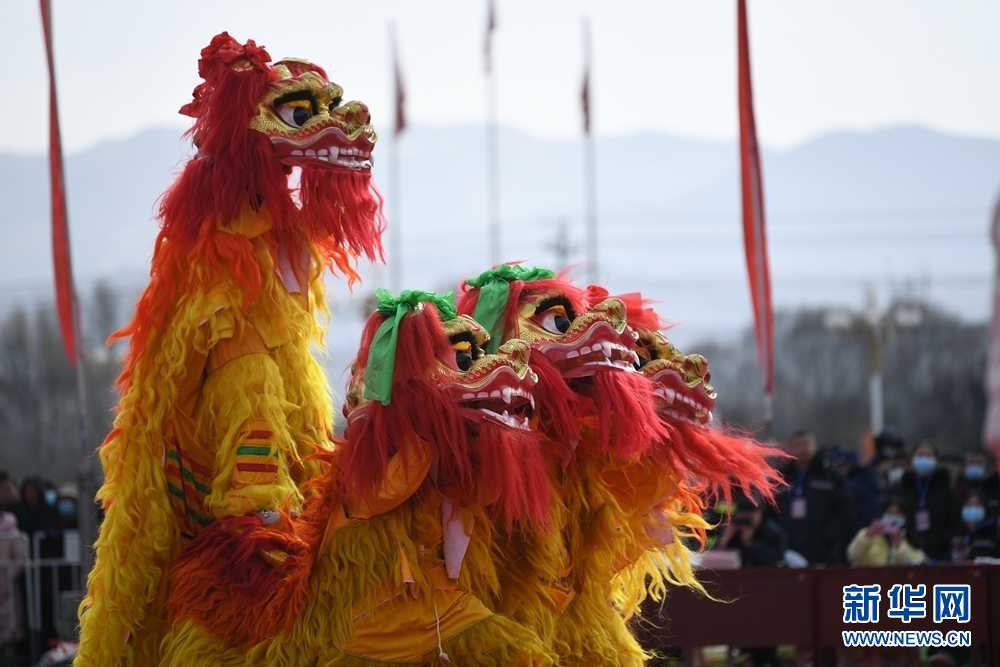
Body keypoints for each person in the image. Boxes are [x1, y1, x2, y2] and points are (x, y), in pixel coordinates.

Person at [774, 430, 856, 564]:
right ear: (790, 449)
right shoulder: (781, 478)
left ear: (814, 446)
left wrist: (829, 535)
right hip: (787, 551)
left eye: (806, 444)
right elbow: (769, 510)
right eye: (797, 445)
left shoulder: (831, 477)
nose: (802, 449)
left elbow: (846, 509)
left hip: (823, 552)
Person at [896, 441, 961, 561]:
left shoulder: (946, 490)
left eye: (928, 455)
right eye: (920, 455)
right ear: (912, 460)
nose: (923, 459)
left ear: (937, 461)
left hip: (940, 552)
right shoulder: (903, 489)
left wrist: (945, 541)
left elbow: (954, 520)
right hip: (907, 550)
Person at [846, 496, 925, 566]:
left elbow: (915, 564)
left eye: (898, 514)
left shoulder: (911, 539)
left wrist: (898, 545)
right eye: (890, 513)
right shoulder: (869, 536)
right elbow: (852, 557)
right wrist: (868, 536)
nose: (894, 518)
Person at [0, 511, 26, 663]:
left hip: (7, 590)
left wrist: (7, 577)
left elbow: (21, 558)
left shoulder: (11, 531)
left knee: (9, 630)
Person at [951, 490, 1000, 560]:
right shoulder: (960, 533)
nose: (973, 509)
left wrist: (971, 554)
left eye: (977, 505)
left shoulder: (993, 533)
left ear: (984, 508)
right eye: (969, 505)